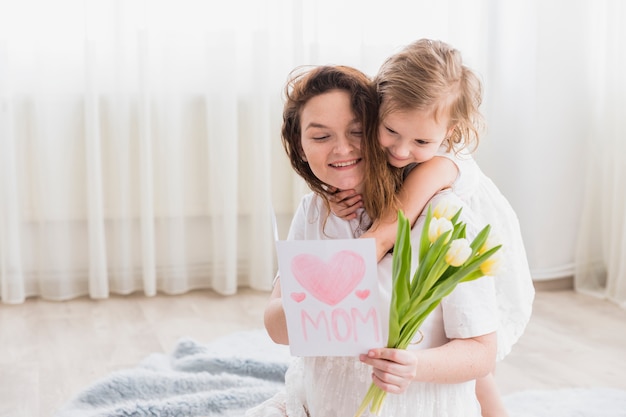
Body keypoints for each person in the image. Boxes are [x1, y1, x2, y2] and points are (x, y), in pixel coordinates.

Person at [246, 64, 499, 417]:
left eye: (358, 131)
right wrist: (320, 295)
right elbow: (277, 327)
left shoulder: (443, 216)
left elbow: (482, 352)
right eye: (320, 137)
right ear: (300, 147)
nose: (342, 149)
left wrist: (414, 365)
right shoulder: (316, 211)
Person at [329, 38, 535, 417]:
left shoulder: (441, 166)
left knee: (472, 364)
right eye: (391, 131)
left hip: (469, 255)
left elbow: (393, 222)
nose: (402, 150)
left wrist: (352, 263)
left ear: (451, 132)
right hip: (424, 252)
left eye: (422, 140)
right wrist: (337, 199)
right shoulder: (388, 144)